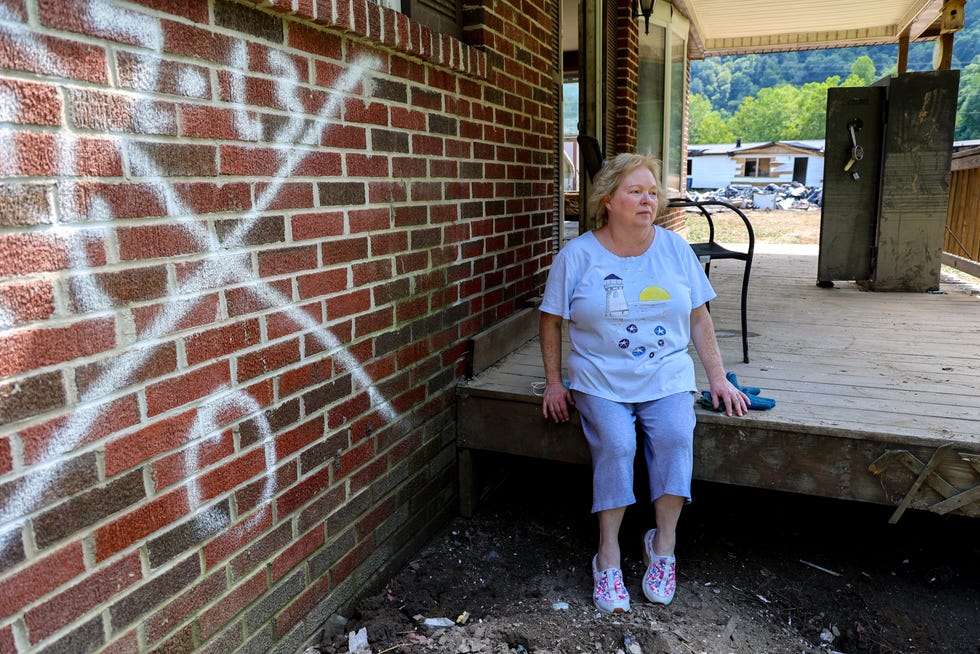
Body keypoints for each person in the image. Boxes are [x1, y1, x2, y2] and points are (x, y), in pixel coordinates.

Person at [539, 153, 748, 613]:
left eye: (652, 192)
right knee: (616, 444)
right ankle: (608, 554)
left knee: (676, 434)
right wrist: (555, 382)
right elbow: (550, 321)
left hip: (667, 375)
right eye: (635, 191)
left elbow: (698, 316)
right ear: (608, 200)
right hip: (599, 379)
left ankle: (663, 545)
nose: (646, 200)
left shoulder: (675, 249)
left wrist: (717, 376)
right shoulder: (578, 255)